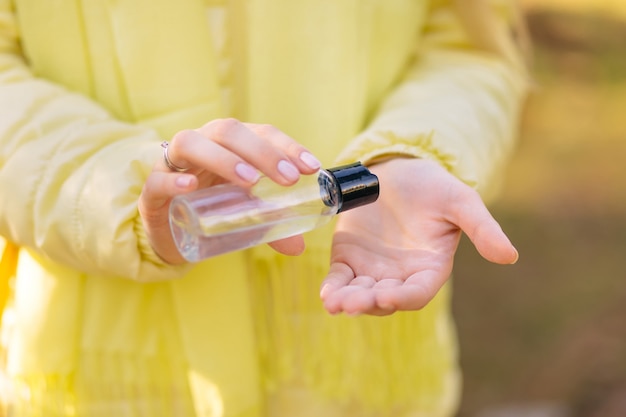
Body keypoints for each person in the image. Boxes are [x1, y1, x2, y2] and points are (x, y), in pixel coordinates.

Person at [0, 0, 528, 416]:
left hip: (349, 381)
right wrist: (118, 184)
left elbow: (468, 47)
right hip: (108, 382)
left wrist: (408, 150)